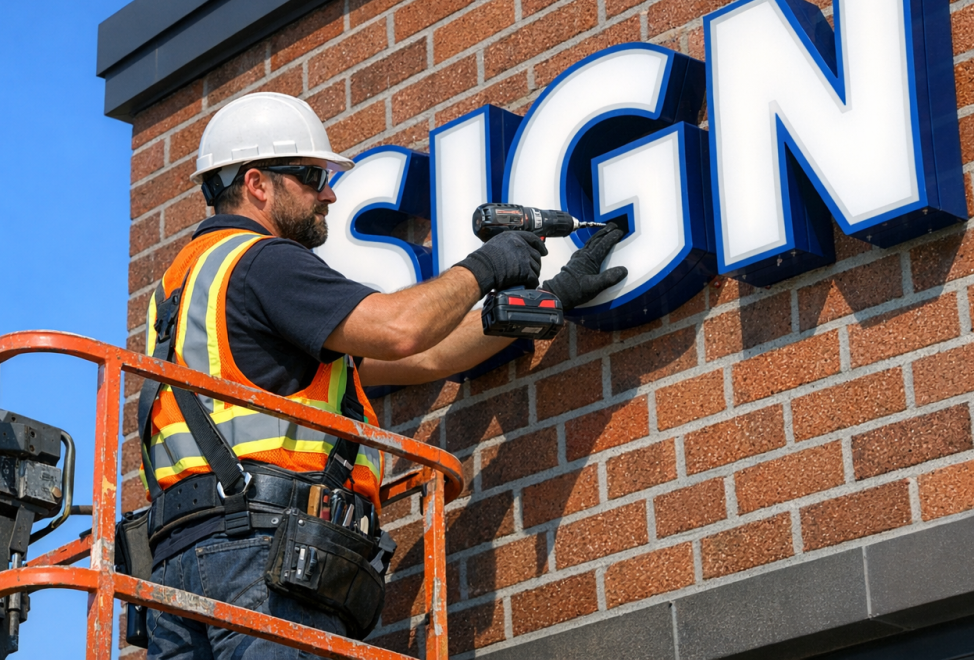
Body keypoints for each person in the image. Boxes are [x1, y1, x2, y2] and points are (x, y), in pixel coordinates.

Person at [140, 92, 626, 659]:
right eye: (311, 175)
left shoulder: (182, 288)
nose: (330, 193)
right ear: (257, 184)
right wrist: (487, 266)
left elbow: (422, 358)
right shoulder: (264, 262)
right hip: (261, 557)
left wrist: (554, 296)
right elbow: (401, 330)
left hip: (178, 568)